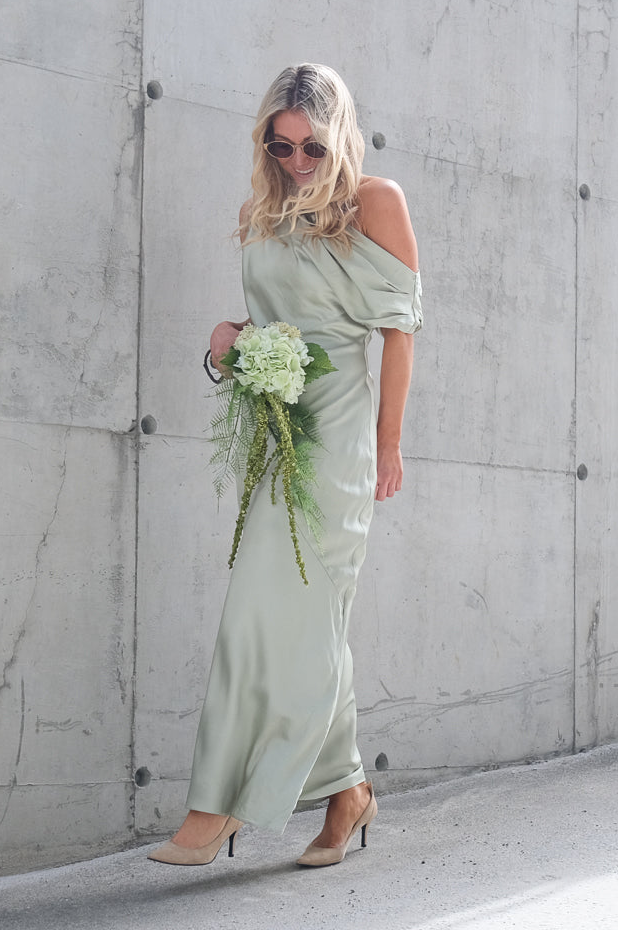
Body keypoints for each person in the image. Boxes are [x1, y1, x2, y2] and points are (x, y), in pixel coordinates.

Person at [148, 63, 422, 868]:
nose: (296, 161)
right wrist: (227, 344)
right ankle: (347, 793)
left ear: (338, 138)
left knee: (285, 614)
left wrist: (389, 442)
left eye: (310, 146)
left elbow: (398, 332)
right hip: (276, 431)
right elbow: (270, 329)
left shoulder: (376, 201)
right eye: (280, 145)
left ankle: (219, 803)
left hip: (338, 436)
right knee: (297, 617)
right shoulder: (258, 213)